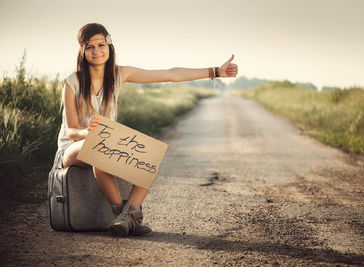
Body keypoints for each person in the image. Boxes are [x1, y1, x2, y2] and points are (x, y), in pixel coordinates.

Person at [55, 22, 238, 237]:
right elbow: (71, 131)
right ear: (82, 51)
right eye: (90, 47)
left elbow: (171, 74)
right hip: (71, 149)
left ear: (109, 46)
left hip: (101, 145)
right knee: (98, 146)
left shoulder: (119, 74)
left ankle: (129, 215)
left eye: (100, 45)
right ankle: (121, 213)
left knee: (150, 153)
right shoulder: (72, 81)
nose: (96, 51)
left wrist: (215, 71)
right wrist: (88, 132)